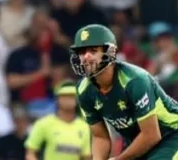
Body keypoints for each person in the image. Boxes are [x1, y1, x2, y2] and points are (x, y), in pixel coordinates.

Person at [72, 24, 178, 160]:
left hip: (171, 136)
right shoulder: (83, 90)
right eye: (81, 52)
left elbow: (151, 134)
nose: (86, 57)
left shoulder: (135, 80)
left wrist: (119, 159)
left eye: (93, 51)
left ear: (110, 52)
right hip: (136, 142)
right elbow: (100, 137)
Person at [24, 81, 90, 160]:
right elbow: (30, 153)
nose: (68, 100)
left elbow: (87, 157)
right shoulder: (44, 123)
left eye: (72, 96)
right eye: (64, 96)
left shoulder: (85, 127)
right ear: (57, 99)